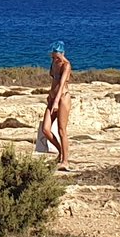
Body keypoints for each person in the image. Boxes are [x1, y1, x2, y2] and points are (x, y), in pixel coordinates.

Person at [41, 41, 72, 170]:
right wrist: (51, 97)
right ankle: (60, 151)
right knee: (45, 129)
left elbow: (61, 84)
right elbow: (53, 80)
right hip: (52, 98)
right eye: (54, 56)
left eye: (57, 56)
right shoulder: (53, 63)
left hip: (63, 98)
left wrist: (56, 102)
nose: (55, 58)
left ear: (63, 53)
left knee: (61, 130)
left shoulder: (66, 65)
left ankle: (65, 161)